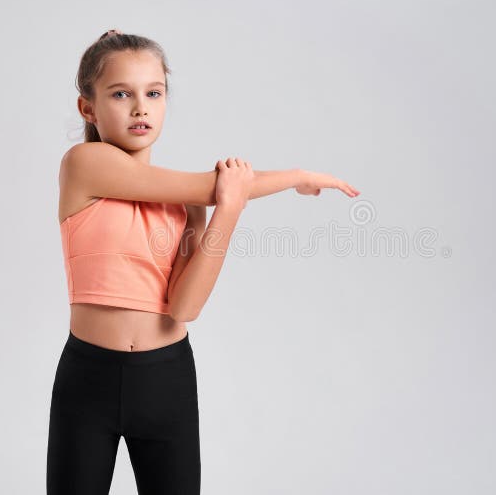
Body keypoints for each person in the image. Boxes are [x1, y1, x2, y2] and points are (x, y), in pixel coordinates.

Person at [46, 29, 360, 494]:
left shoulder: (186, 206)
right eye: (120, 93)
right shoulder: (83, 164)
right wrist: (298, 176)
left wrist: (228, 211)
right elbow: (212, 186)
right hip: (87, 379)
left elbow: (184, 308)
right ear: (88, 108)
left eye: (154, 92)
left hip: (166, 379)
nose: (140, 108)